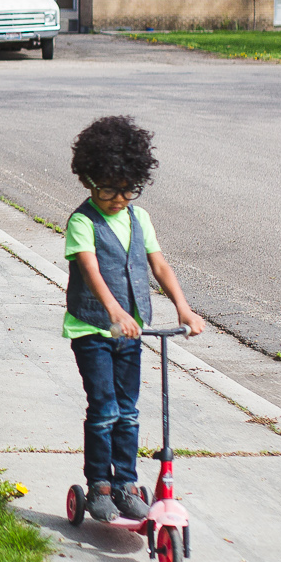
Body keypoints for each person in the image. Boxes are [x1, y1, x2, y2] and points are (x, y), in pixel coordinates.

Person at [64, 115, 206, 522]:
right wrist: (114, 311)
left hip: (130, 332)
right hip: (92, 328)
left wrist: (183, 307)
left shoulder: (138, 219)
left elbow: (159, 267)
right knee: (105, 408)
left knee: (129, 411)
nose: (118, 199)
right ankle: (99, 487)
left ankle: (126, 484)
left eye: (128, 190)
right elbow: (90, 270)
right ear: (89, 180)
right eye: (109, 189)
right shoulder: (82, 222)